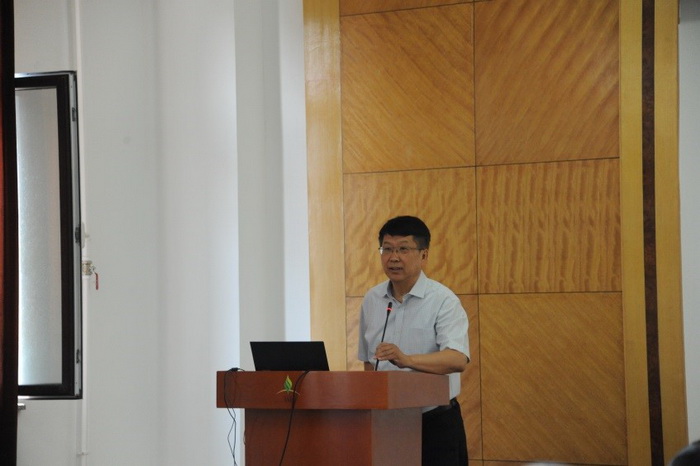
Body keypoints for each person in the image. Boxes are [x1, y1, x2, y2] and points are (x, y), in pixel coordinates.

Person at [357, 215, 470, 466]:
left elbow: (457, 358)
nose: (393, 257)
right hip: (386, 422)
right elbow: (368, 363)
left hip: (434, 422)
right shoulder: (372, 299)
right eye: (387, 249)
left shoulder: (443, 300)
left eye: (403, 249)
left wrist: (407, 360)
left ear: (424, 255)